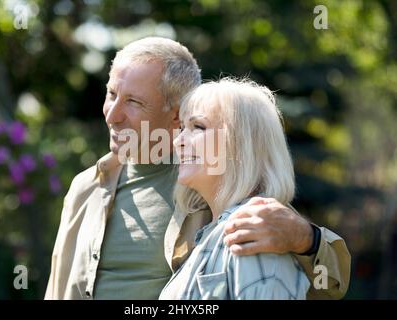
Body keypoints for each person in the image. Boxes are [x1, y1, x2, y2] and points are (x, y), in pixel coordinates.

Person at [45, 37, 350, 300]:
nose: (112, 115)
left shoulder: (211, 180)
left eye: (133, 102)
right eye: (112, 94)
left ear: (177, 114)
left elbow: (323, 285)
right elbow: (58, 289)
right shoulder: (85, 188)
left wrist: (306, 238)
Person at [160, 78, 310, 299]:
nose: (178, 141)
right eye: (182, 128)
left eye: (198, 127)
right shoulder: (211, 232)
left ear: (241, 143)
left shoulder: (255, 233)